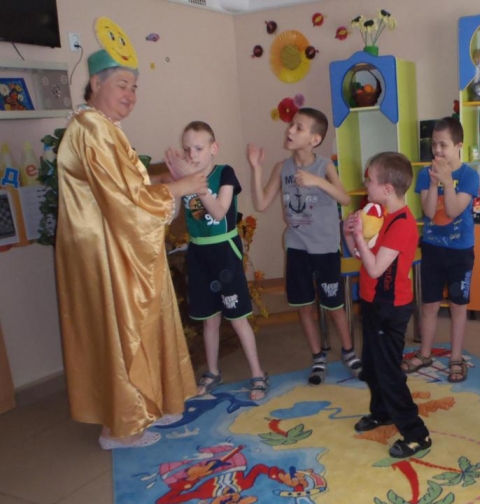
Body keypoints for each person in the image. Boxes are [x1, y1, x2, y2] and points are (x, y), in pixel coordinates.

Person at [55, 48, 208, 450]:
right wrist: (179, 187)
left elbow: (127, 186)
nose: (130, 94)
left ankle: (147, 406)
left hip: (115, 245)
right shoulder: (91, 129)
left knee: (137, 324)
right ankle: (120, 428)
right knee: (122, 329)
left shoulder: (102, 127)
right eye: (122, 85)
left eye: (135, 87)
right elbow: (123, 200)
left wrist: (165, 179)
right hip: (106, 251)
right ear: (96, 83)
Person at [246, 108, 362, 384]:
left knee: (334, 306)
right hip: (297, 246)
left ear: (315, 139)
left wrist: (317, 181)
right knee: (303, 305)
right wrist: (256, 169)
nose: (290, 130)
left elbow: (345, 199)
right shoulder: (281, 168)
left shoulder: (324, 166)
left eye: (299, 127)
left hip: (325, 247)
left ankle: (349, 352)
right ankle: (318, 357)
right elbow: (261, 204)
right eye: (291, 125)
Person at [343, 152, 431, 459]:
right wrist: (351, 234)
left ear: (387, 189)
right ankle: (381, 412)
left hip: (390, 308)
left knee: (389, 372)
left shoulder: (402, 224)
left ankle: (417, 433)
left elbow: (375, 268)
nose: (365, 184)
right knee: (372, 365)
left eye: (370, 180)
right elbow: (361, 255)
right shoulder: (379, 216)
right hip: (372, 301)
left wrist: (357, 235)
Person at [179, 121, 268, 400]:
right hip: (199, 254)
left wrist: (196, 184)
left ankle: (257, 373)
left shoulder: (225, 173)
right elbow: (171, 211)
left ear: (213, 148)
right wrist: (174, 182)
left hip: (225, 253)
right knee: (209, 320)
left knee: (238, 318)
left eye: (198, 148)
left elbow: (219, 212)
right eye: (186, 149)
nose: (192, 155)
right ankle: (213, 371)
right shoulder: (184, 178)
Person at [402, 117, 480, 383]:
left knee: (458, 306)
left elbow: (453, 210)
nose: (437, 150)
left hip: (460, 251)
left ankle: (456, 357)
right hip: (433, 248)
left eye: (443, 145)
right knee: (429, 304)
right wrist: (435, 182)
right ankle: (425, 353)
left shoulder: (469, 176)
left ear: (458, 145)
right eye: (434, 144)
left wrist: (447, 180)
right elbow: (428, 211)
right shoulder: (426, 174)